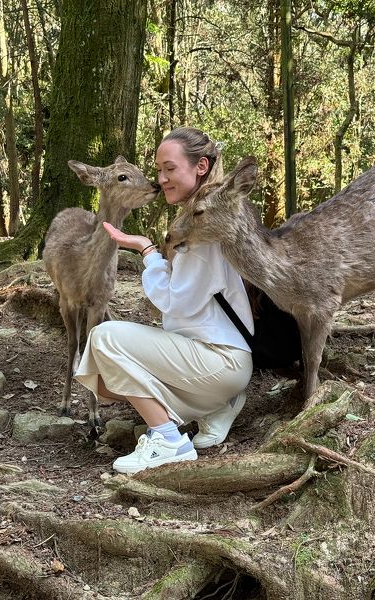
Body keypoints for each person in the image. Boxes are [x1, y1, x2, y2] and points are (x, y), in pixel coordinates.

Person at [73, 127, 254, 474]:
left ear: (201, 166)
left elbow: (175, 303)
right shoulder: (195, 219)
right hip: (213, 361)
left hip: (220, 359)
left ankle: (168, 440)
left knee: (104, 337)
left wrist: (147, 251)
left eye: (170, 169)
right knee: (103, 378)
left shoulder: (203, 229)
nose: (161, 179)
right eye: (159, 170)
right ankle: (217, 406)